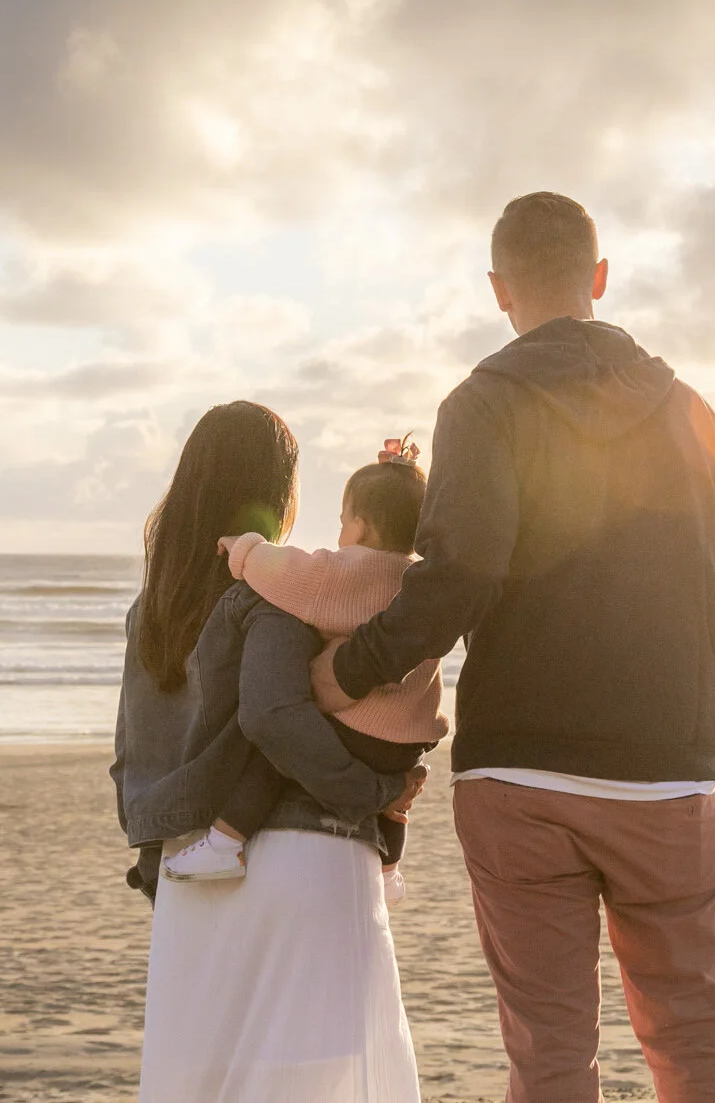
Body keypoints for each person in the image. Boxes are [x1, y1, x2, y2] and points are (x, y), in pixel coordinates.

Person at [329, 192, 715, 1103]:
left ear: (499, 289)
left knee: (551, 1051)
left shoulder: (482, 404)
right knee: (694, 1041)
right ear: (598, 278)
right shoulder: (690, 409)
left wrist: (346, 669)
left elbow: (457, 576)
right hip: (668, 775)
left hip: (520, 777)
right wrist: (648, 654)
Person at [110, 400, 425, 1103]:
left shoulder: (148, 611)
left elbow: (131, 758)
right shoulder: (276, 592)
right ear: (278, 491)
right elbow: (277, 718)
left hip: (188, 874)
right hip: (303, 855)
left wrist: (159, 859)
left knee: (200, 1086)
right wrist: (377, 792)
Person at [162, 437, 444, 907]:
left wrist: (245, 548)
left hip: (357, 724)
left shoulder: (344, 572)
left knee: (272, 755)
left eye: (341, 522)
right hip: (409, 737)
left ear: (360, 525)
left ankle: (225, 843)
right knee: (398, 802)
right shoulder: (418, 581)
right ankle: (390, 871)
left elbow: (287, 572)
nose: (338, 534)